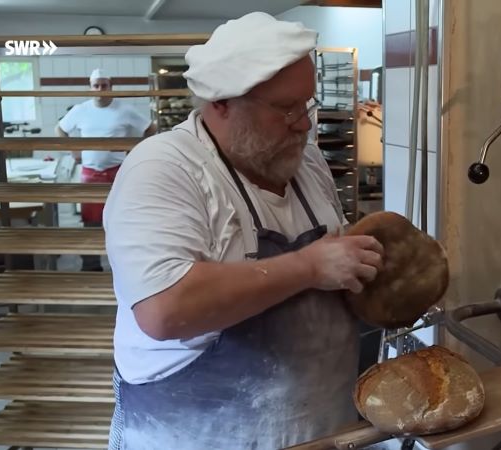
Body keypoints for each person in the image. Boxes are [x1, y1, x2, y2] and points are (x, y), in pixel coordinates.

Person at [103, 12, 384, 450]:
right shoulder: (163, 169)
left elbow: (338, 270)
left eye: (307, 103)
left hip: (321, 431)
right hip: (196, 437)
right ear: (221, 104)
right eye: (285, 108)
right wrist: (309, 267)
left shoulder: (305, 162)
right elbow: (164, 309)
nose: (304, 124)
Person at [56, 68, 156, 271]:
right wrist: (73, 151)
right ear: (90, 87)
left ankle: (125, 266)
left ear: (111, 87)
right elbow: (60, 129)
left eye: (104, 85)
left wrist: (135, 150)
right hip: (90, 173)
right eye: (96, 86)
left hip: (118, 173)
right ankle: (91, 265)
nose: (100, 89)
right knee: (91, 223)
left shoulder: (124, 110)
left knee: (122, 221)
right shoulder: (81, 109)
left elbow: (150, 128)